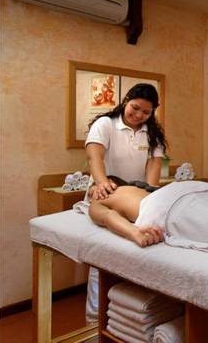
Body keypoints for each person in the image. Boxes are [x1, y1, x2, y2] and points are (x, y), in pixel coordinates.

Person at [84, 83, 168, 323]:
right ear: (126, 100)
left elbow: (154, 166)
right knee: (103, 255)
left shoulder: (152, 133)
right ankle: (94, 320)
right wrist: (102, 183)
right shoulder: (106, 124)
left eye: (146, 112)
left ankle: (126, 317)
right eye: (135, 108)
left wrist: (149, 195)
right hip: (108, 192)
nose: (139, 115)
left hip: (134, 197)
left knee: (135, 252)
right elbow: (94, 156)